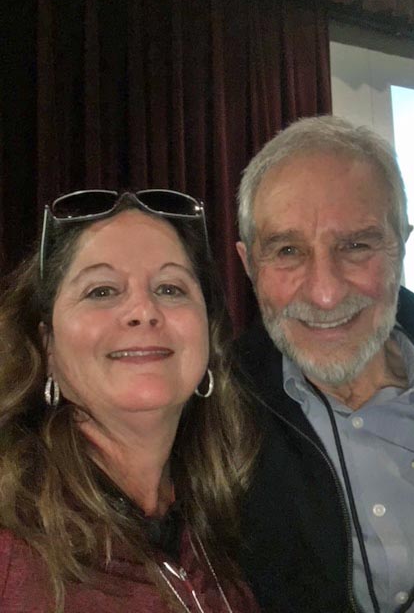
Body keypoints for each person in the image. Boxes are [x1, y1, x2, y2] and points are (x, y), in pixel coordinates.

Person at [234, 116, 414, 613]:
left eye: (356, 246)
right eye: (287, 251)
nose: (325, 293)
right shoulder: (212, 417)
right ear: (248, 265)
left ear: (400, 246)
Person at [0, 189, 260, 613]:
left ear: (209, 338)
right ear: (47, 347)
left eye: (170, 288)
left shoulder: (223, 523)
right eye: (101, 291)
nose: (143, 310)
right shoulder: (11, 550)